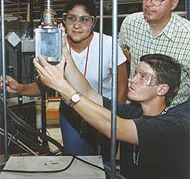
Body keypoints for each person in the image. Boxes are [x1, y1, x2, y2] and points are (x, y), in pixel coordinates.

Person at [1, 0, 128, 158]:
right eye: (71, 18)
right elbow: (44, 86)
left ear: (93, 22)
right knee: (76, 161)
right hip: (71, 112)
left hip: (104, 110)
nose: (76, 25)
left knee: (102, 161)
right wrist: (20, 88)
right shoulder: (55, 45)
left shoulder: (108, 45)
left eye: (84, 19)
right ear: (64, 21)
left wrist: (115, 118)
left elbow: (122, 89)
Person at [33, 50, 190, 179]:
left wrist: (62, 87)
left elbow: (114, 127)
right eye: (135, 73)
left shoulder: (173, 125)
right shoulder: (134, 113)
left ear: (162, 89)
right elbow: (88, 93)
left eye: (143, 77)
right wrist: (65, 53)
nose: (132, 80)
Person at [119, 0, 190, 115]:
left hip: (176, 112)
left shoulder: (187, 35)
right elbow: (125, 56)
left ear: (174, 3)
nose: (148, 3)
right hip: (138, 107)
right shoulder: (130, 24)